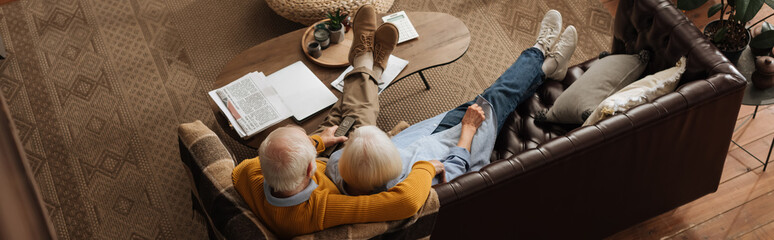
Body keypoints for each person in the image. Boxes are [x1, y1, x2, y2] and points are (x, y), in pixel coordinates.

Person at [230, 5, 445, 239]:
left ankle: (368, 65)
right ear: (310, 168)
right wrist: (427, 167)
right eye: (308, 139)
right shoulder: (319, 210)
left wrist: (318, 141)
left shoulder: (249, 172)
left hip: (312, 162)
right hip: (340, 173)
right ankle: (368, 64)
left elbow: (251, 166)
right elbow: (406, 202)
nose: (310, 138)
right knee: (362, 117)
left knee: (347, 111)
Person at [326, 10, 578, 195]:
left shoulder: (337, 167)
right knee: (497, 97)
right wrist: (468, 130)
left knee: (495, 99)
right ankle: (541, 53)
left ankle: (547, 68)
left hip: (426, 133)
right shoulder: (404, 191)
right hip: (457, 145)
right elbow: (455, 173)